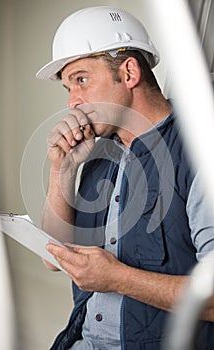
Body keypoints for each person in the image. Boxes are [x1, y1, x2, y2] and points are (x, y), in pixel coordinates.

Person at [36, 6, 214, 350]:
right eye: (68, 88)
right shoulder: (99, 153)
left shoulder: (201, 151)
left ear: (129, 72)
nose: (73, 101)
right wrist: (64, 169)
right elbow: (52, 259)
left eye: (81, 80)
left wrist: (118, 278)